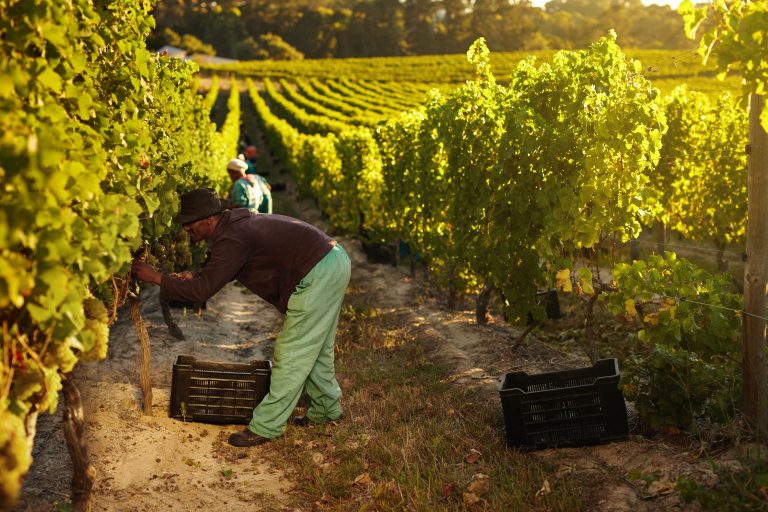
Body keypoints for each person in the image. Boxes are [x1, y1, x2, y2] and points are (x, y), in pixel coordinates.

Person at [131, 188, 351, 447]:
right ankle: (326, 410)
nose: (186, 230)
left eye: (189, 223)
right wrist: (196, 275)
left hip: (319, 270)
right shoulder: (232, 228)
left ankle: (267, 426)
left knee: (293, 353)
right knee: (317, 349)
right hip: (331, 260)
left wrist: (156, 277)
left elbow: (203, 290)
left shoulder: (233, 236)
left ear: (209, 220)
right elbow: (218, 273)